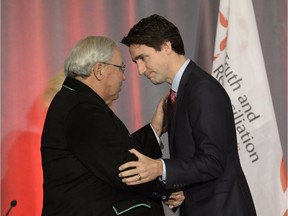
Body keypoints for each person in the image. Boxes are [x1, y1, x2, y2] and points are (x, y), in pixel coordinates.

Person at [118, 14, 257, 216]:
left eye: (143, 58)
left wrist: (160, 167)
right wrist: (182, 188)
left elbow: (213, 161)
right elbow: (196, 159)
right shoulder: (181, 92)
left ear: (166, 47)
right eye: (135, 62)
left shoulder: (201, 90)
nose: (140, 70)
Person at [41, 35, 180, 216]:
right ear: (99, 70)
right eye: (121, 68)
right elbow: (123, 168)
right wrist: (169, 187)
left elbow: (113, 154)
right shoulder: (82, 108)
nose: (124, 77)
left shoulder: (76, 100)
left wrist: (155, 128)